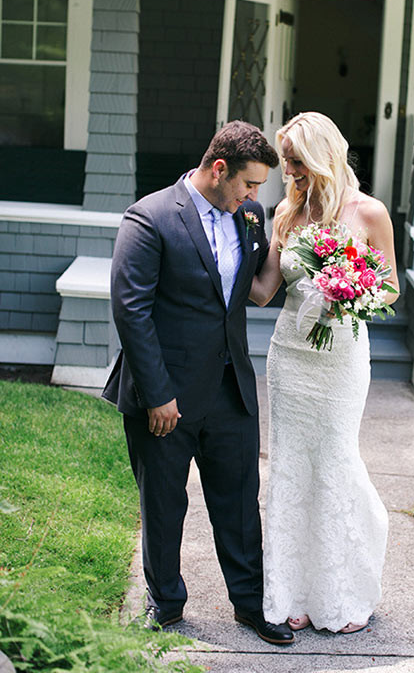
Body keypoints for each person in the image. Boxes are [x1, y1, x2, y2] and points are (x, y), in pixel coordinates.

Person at [102, 121, 294, 645]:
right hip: (166, 396)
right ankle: (165, 603)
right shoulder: (150, 217)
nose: (254, 196)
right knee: (164, 504)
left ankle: (250, 605)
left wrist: (292, 234)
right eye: (248, 184)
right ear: (219, 169)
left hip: (231, 389)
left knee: (239, 503)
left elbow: (255, 291)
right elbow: (131, 310)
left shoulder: (250, 216)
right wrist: (157, 394)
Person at [249, 111, 399, 634]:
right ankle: (291, 591)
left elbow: (391, 288)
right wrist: (222, 254)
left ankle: (338, 591)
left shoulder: (370, 213)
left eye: (295, 160)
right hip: (290, 356)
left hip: (342, 359)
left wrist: (353, 293)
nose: (288, 170)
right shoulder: (286, 212)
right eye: (285, 160)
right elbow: (264, 290)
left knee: (335, 463)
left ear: (323, 156)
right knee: (291, 467)